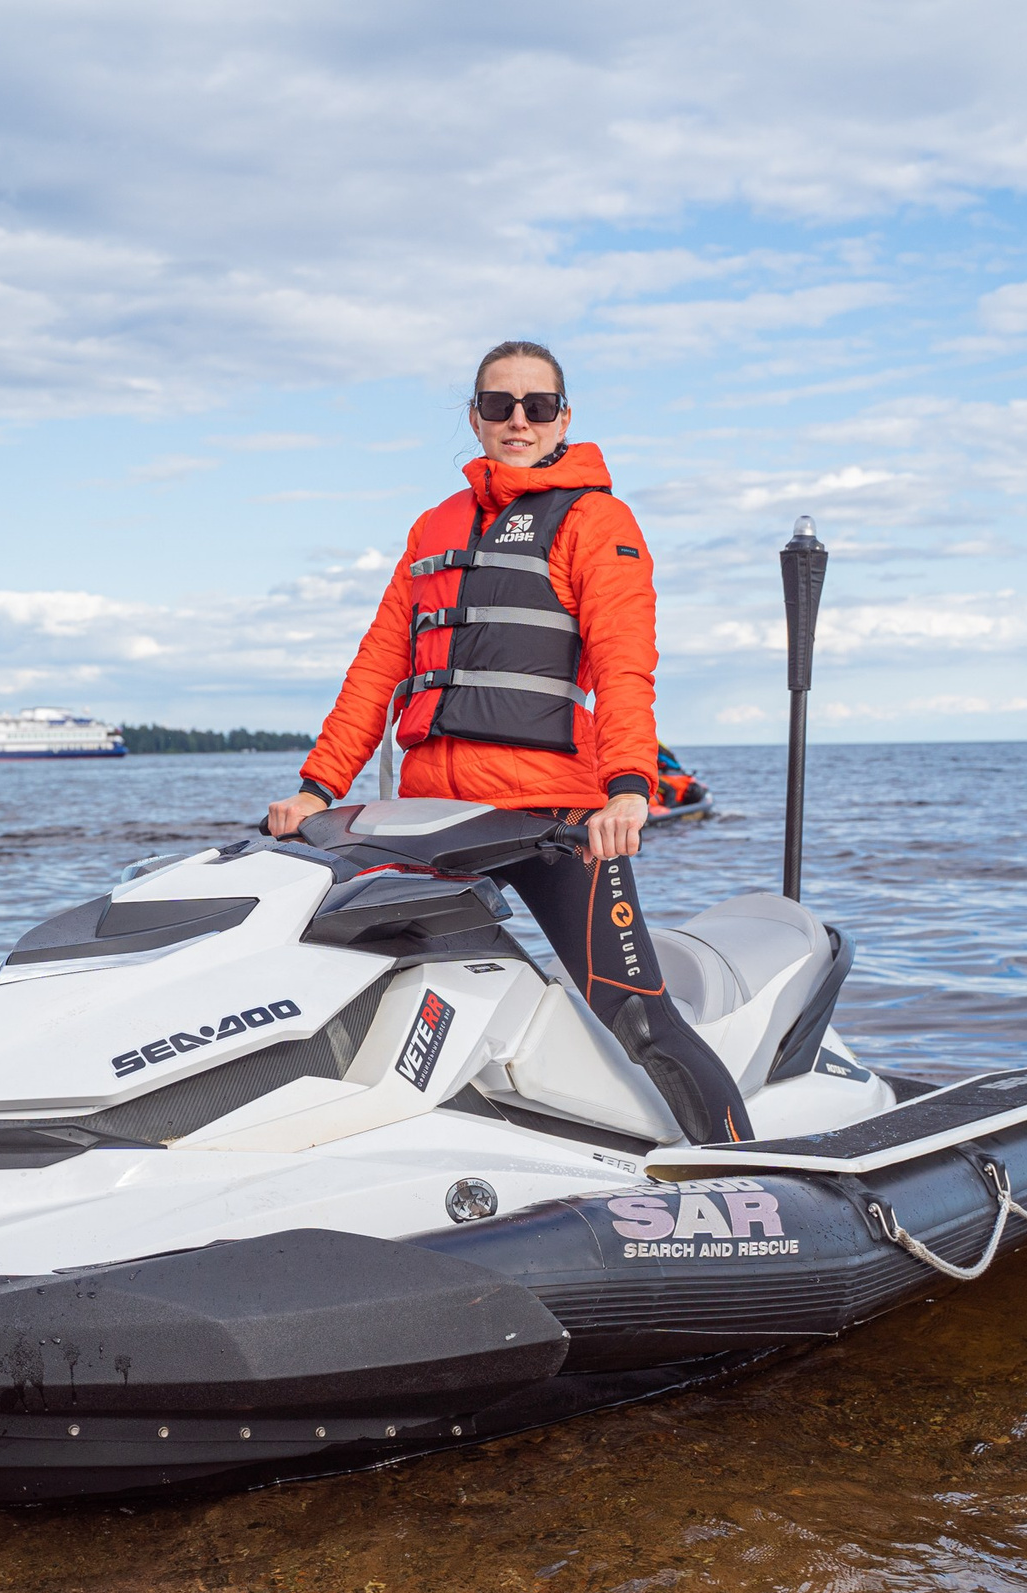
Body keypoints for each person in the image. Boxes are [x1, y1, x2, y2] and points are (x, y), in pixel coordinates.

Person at [266, 340, 755, 1145]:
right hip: (436, 822)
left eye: (536, 405)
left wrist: (630, 784)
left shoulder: (599, 521)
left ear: (564, 417)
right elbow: (377, 665)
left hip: (554, 819)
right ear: (474, 418)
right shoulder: (433, 528)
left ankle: (752, 1169)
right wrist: (319, 788)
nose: (517, 419)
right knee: (368, 991)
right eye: (499, 405)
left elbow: (626, 662)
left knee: (635, 1011)